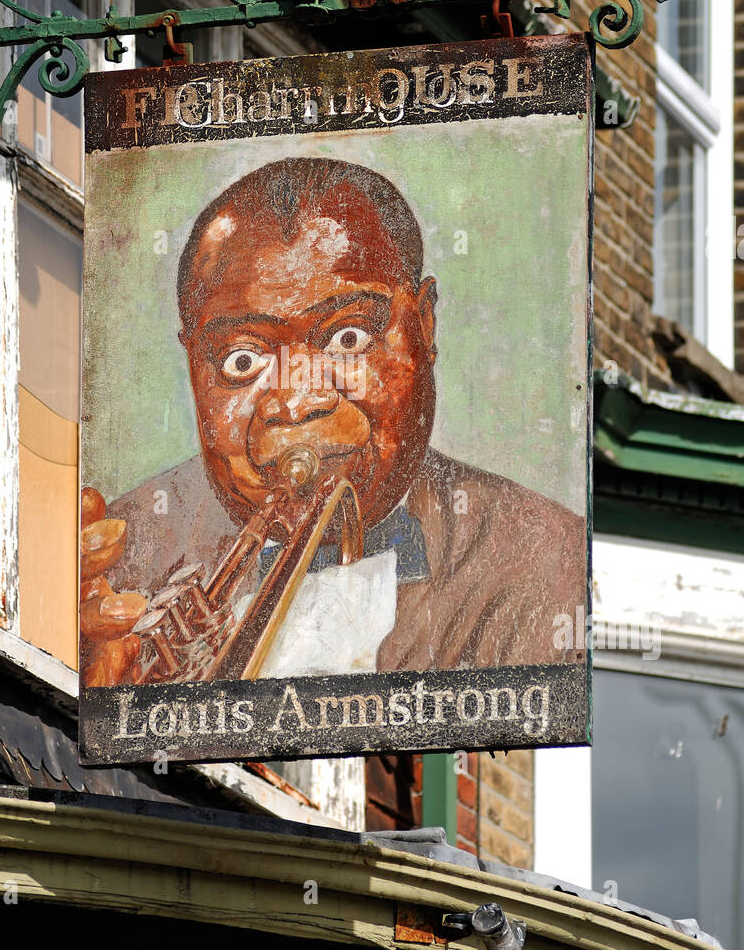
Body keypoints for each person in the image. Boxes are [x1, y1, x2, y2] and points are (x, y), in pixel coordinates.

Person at [92, 156, 585, 682]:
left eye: (347, 337)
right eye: (242, 359)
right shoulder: (118, 560)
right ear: (191, 364)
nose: (298, 400)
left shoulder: (551, 563)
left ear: (424, 323)